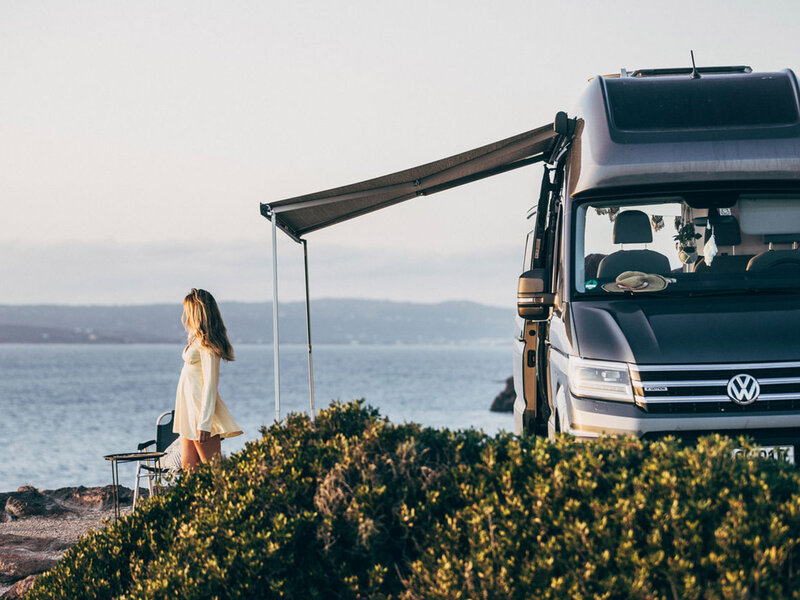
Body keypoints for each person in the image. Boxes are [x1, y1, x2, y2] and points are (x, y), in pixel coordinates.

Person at [174, 288, 242, 471]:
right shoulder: (196, 340)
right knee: (189, 470)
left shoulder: (208, 343)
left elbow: (211, 384)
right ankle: (194, 501)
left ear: (197, 312)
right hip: (188, 412)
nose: (185, 315)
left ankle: (222, 500)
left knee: (214, 472)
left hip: (199, 413)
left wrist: (204, 423)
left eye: (188, 310)